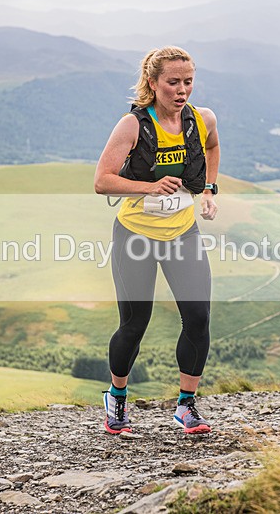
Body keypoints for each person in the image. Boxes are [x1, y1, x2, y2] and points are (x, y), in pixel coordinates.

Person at [94, 46, 220, 434]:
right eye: (173, 83)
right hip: (136, 236)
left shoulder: (203, 119)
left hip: (183, 233)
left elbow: (212, 146)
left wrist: (210, 190)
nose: (182, 90)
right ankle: (117, 397)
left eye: (188, 82)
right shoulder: (133, 125)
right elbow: (102, 181)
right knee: (135, 323)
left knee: (198, 319)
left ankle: (186, 406)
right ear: (153, 83)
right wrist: (148, 187)